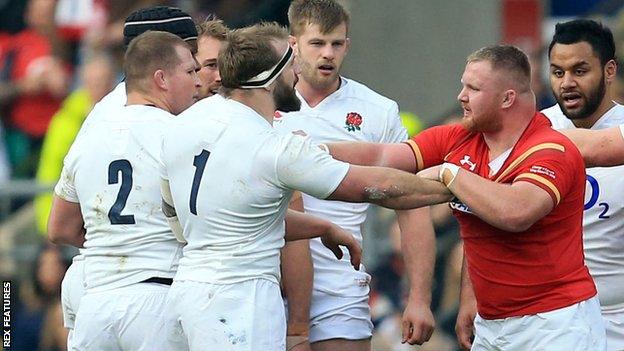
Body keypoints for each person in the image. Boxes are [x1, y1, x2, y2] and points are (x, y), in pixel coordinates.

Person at [155, 22, 452, 351]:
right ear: (268, 77)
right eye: (290, 61)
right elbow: (375, 186)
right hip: (242, 301)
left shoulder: (184, 123)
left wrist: (320, 226)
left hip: (188, 293)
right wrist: (452, 184)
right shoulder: (274, 147)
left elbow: (175, 210)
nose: (297, 71)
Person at [326, 45, 606, 350]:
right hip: (491, 322)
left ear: (507, 98)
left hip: (554, 324)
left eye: (473, 88)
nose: (461, 96)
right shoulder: (459, 138)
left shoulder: (551, 149)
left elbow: (515, 213)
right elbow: (381, 155)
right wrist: (306, 150)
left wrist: (450, 174)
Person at [274, 1, 437, 349]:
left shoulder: (377, 111)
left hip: (340, 285)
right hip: (270, 283)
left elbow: (410, 204)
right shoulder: (263, 103)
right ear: (293, 44)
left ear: (347, 45)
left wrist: (419, 297)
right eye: (317, 43)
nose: (328, 54)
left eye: (336, 44)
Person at [46, 6, 200, 348]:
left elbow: (59, 228)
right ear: (161, 69)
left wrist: (116, 241)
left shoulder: (94, 124)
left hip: (96, 296)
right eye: (191, 61)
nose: (199, 74)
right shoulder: (180, 130)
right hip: (157, 293)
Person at [541, 19, 624, 350]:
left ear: (609, 70)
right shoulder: (536, 125)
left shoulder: (530, 137)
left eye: (580, 70)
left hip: (616, 318)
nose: (567, 83)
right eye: (558, 72)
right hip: (549, 319)